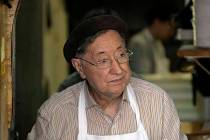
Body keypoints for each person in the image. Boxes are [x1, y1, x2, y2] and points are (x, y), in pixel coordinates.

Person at [27, 8, 187, 140]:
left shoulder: (157, 103)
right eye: (103, 60)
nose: (118, 70)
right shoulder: (55, 114)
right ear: (80, 67)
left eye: (121, 55)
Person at [128, 5, 178, 74]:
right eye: (170, 26)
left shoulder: (158, 43)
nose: (172, 32)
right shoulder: (138, 42)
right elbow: (142, 77)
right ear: (157, 22)